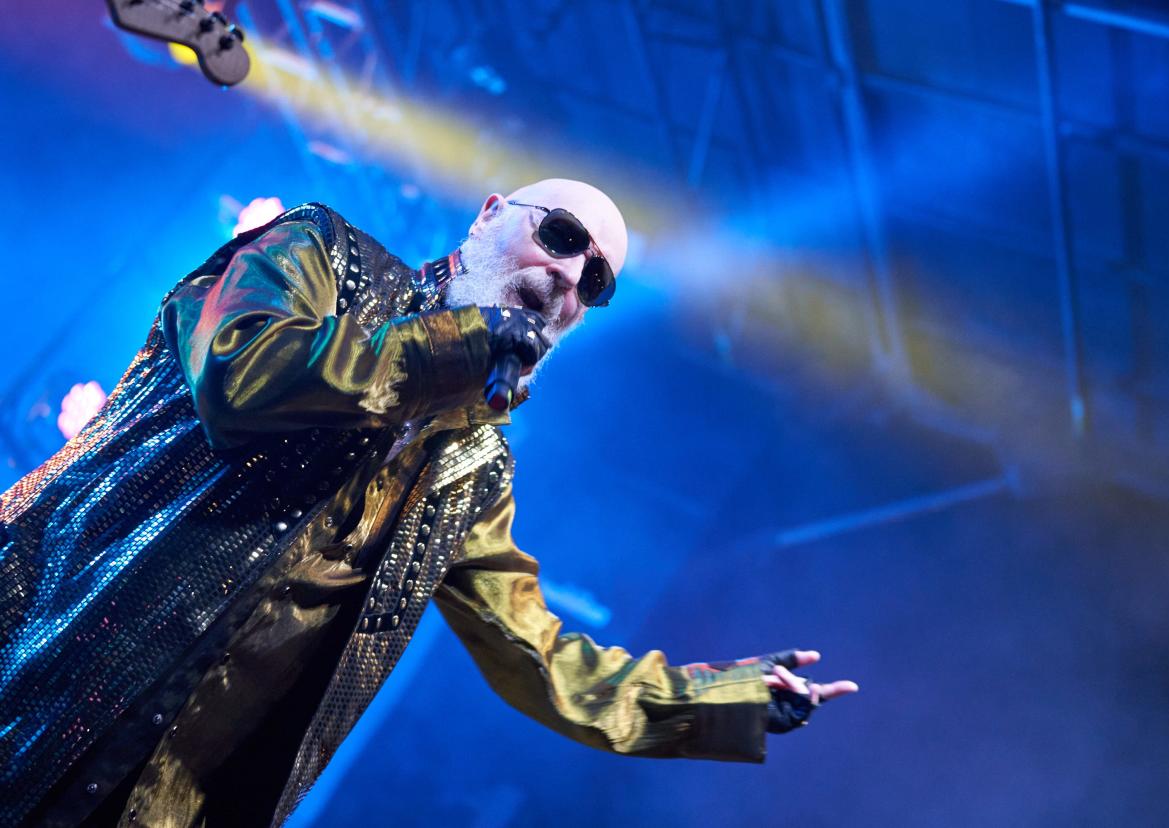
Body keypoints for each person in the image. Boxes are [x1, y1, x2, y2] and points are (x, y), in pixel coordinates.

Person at [0, 178, 858, 827]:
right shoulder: (323, 256)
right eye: (558, 237)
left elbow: (543, 659)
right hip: (39, 668)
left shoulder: (469, 473)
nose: (565, 276)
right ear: (490, 214)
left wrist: (724, 701)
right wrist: (461, 348)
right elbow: (243, 378)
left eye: (594, 282)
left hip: (155, 801)